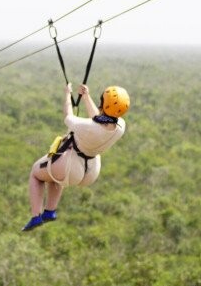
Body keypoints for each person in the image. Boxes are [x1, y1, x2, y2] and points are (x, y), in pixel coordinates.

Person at [22, 82, 129, 231]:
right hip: (91, 171)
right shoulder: (120, 126)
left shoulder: (88, 127)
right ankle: (50, 212)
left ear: (104, 104)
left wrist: (67, 94)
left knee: (36, 172)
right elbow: (99, 119)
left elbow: (68, 117)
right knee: (55, 176)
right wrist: (86, 96)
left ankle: (35, 216)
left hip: (71, 165)